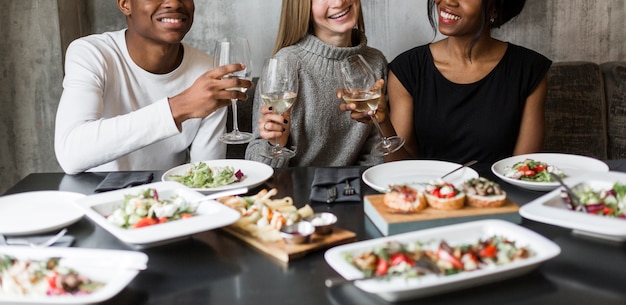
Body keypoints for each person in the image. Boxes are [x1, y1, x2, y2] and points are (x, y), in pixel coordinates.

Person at [55, 0, 252, 174]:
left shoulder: (208, 72)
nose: (174, 3)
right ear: (125, 4)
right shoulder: (92, 53)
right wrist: (179, 107)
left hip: (171, 202)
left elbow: (207, 173)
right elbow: (71, 153)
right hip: (97, 198)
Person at [383, 0, 551, 167]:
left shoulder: (528, 70)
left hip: (500, 192)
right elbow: (400, 169)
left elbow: (522, 170)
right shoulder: (407, 70)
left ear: (494, 7)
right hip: (428, 191)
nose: (447, 1)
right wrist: (383, 122)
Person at [244, 0, 387, 168]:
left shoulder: (375, 62)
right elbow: (255, 166)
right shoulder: (285, 63)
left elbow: (377, 155)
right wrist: (274, 145)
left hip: (355, 189)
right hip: (295, 191)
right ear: (302, 8)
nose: (339, 2)